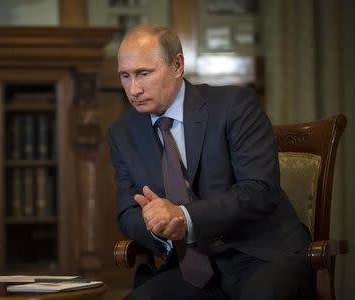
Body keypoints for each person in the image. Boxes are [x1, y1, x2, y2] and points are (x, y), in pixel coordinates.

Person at [107, 24, 314, 299]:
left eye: (144, 74)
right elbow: (127, 212)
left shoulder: (234, 105)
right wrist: (157, 225)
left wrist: (185, 218)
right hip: (189, 265)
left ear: (178, 64)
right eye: (125, 76)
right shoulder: (122, 133)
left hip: (260, 255)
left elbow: (259, 190)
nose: (134, 89)